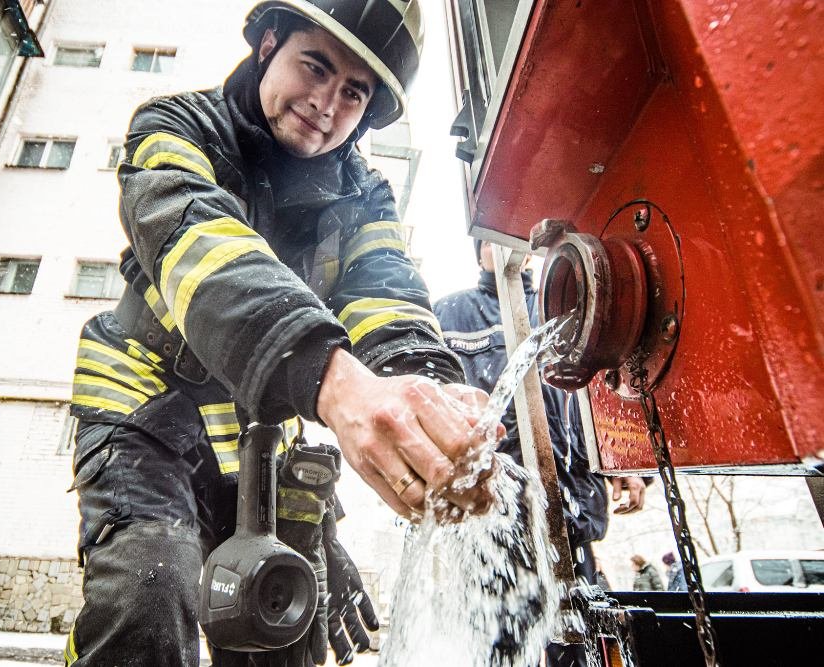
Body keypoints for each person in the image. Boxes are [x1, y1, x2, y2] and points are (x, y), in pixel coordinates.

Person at [65, 2, 492, 665]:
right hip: (145, 402)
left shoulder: (364, 195)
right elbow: (203, 250)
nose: (327, 102)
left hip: (261, 430)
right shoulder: (174, 126)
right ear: (268, 43)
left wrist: (427, 392)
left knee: (282, 624)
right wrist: (331, 378)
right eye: (315, 66)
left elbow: (385, 291)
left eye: (354, 91)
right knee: (150, 594)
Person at [433, 240, 649, 667]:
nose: (511, 253)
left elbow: (601, 390)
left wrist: (627, 461)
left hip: (569, 521)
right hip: (490, 528)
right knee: (501, 652)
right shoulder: (449, 315)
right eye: (493, 243)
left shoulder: (565, 309)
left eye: (518, 246)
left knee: (580, 650)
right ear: (479, 254)